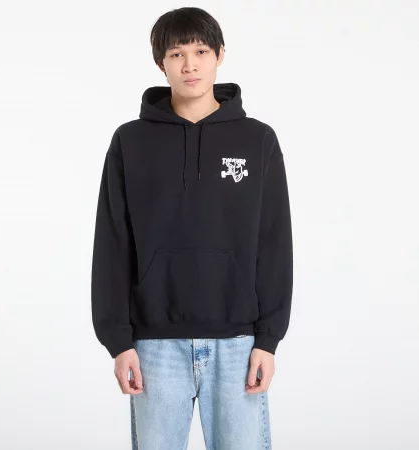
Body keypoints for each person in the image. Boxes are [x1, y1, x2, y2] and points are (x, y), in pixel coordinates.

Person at [91, 6, 293, 449]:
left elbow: (274, 242)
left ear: (220, 55)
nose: (189, 65)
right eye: (176, 54)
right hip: (154, 346)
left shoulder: (257, 139)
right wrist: (118, 341)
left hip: (239, 343)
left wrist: (268, 339)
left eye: (200, 51)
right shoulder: (130, 141)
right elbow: (112, 244)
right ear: (160, 62)